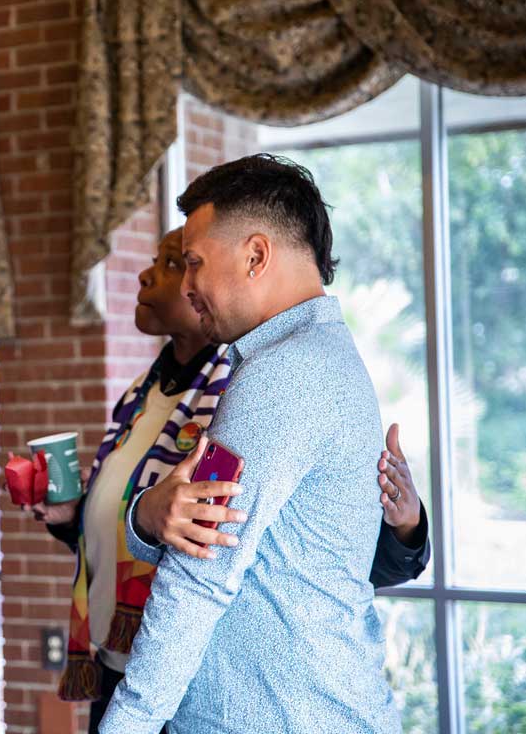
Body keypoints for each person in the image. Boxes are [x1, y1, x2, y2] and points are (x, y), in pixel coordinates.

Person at [27, 221, 430, 733]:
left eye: (184, 262)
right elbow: (137, 520)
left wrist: (406, 529)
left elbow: (264, 556)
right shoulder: (141, 396)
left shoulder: (254, 385)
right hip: (134, 651)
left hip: (215, 680)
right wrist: (84, 516)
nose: (155, 277)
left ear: (252, 259)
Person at [98, 154, 407, 733]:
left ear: (256, 255)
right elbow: (193, 525)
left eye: (192, 264)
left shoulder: (284, 374)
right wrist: (147, 515)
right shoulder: (309, 357)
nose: (186, 287)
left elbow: (200, 574)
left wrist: (126, 726)